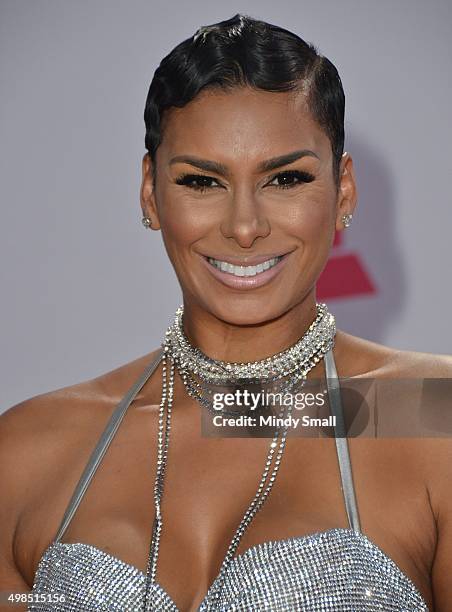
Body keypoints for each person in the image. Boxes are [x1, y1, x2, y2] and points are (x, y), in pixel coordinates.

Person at [1, 13, 451, 612]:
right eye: (202, 182)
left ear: (343, 192)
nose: (244, 227)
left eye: (286, 178)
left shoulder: (429, 414)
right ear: (149, 192)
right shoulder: (29, 450)